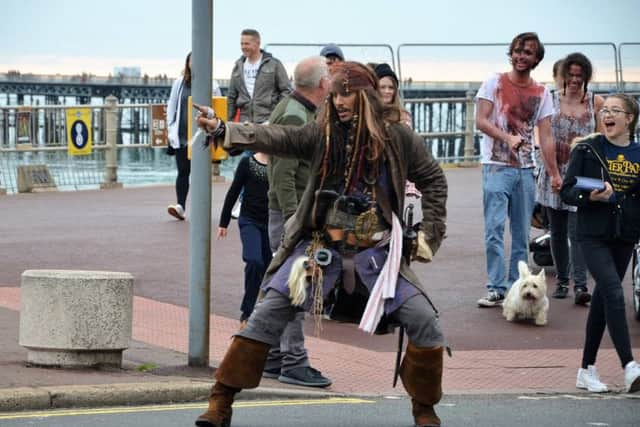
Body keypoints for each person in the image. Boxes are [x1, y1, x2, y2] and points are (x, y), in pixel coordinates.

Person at [194, 61, 448, 427]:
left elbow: (434, 180)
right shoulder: (321, 134)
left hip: (377, 258)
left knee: (426, 323)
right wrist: (223, 128)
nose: (339, 101)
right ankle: (220, 401)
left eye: (348, 94)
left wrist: (428, 234)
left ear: (367, 96)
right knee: (264, 317)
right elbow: (276, 136)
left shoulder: (397, 138)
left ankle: (424, 410)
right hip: (317, 253)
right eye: (335, 94)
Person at [560, 93, 640, 393]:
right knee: (614, 292)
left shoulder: (638, 153)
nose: (606, 115)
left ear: (629, 118)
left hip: (625, 234)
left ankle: (586, 370)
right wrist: (587, 196)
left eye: (614, 111)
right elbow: (567, 191)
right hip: (592, 233)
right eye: (604, 110)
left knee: (604, 300)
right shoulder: (588, 150)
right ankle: (630, 366)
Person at [475, 32, 560, 307]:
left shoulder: (542, 92)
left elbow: (546, 136)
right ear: (511, 53)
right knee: (494, 230)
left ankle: (515, 286)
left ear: (537, 58)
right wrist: (507, 138)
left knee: (522, 234)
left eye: (528, 53)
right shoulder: (493, 82)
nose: (521, 56)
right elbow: (481, 120)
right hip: (496, 167)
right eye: (518, 51)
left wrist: (555, 173)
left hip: (526, 169)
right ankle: (496, 287)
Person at [263, 56, 332, 388]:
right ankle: (293, 360)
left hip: (288, 212)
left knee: (280, 285)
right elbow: (282, 174)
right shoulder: (295, 114)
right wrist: (294, 219)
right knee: (295, 287)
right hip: (290, 214)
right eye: (329, 77)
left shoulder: (296, 108)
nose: (332, 82)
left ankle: (273, 355)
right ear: (321, 84)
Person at [536, 53, 604, 304]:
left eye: (580, 75)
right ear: (563, 75)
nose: (575, 80)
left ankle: (580, 285)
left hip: (582, 177)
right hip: (553, 172)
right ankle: (562, 281)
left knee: (578, 231)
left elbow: (601, 140)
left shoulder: (596, 102)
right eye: (571, 75)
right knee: (556, 231)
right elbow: (543, 138)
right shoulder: (549, 99)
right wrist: (554, 173)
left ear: (586, 76)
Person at [218, 151, 272, 328]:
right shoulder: (247, 163)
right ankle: (246, 313)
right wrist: (224, 222)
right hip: (249, 220)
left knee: (268, 267)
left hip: (272, 223)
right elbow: (233, 191)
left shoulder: (280, 164)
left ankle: (264, 311)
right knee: (254, 261)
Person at [166, 52, 221, 220]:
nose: (195, 63)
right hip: (182, 135)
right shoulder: (179, 83)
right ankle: (180, 206)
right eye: (192, 60)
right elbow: (172, 104)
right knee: (183, 171)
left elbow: (218, 106)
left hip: (202, 135)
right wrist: (170, 127)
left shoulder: (212, 84)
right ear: (187, 62)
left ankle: (202, 207)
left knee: (201, 173)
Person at [227, 29, 291, 124]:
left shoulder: (274, 64)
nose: (243, 47)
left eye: (247, 44)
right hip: (244, 123)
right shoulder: (237, 67)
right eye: (242, 44)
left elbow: (286, 91)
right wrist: (229, 121)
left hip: (267, 122)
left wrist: (276, 117)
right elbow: (231, 97)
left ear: (257, 43)